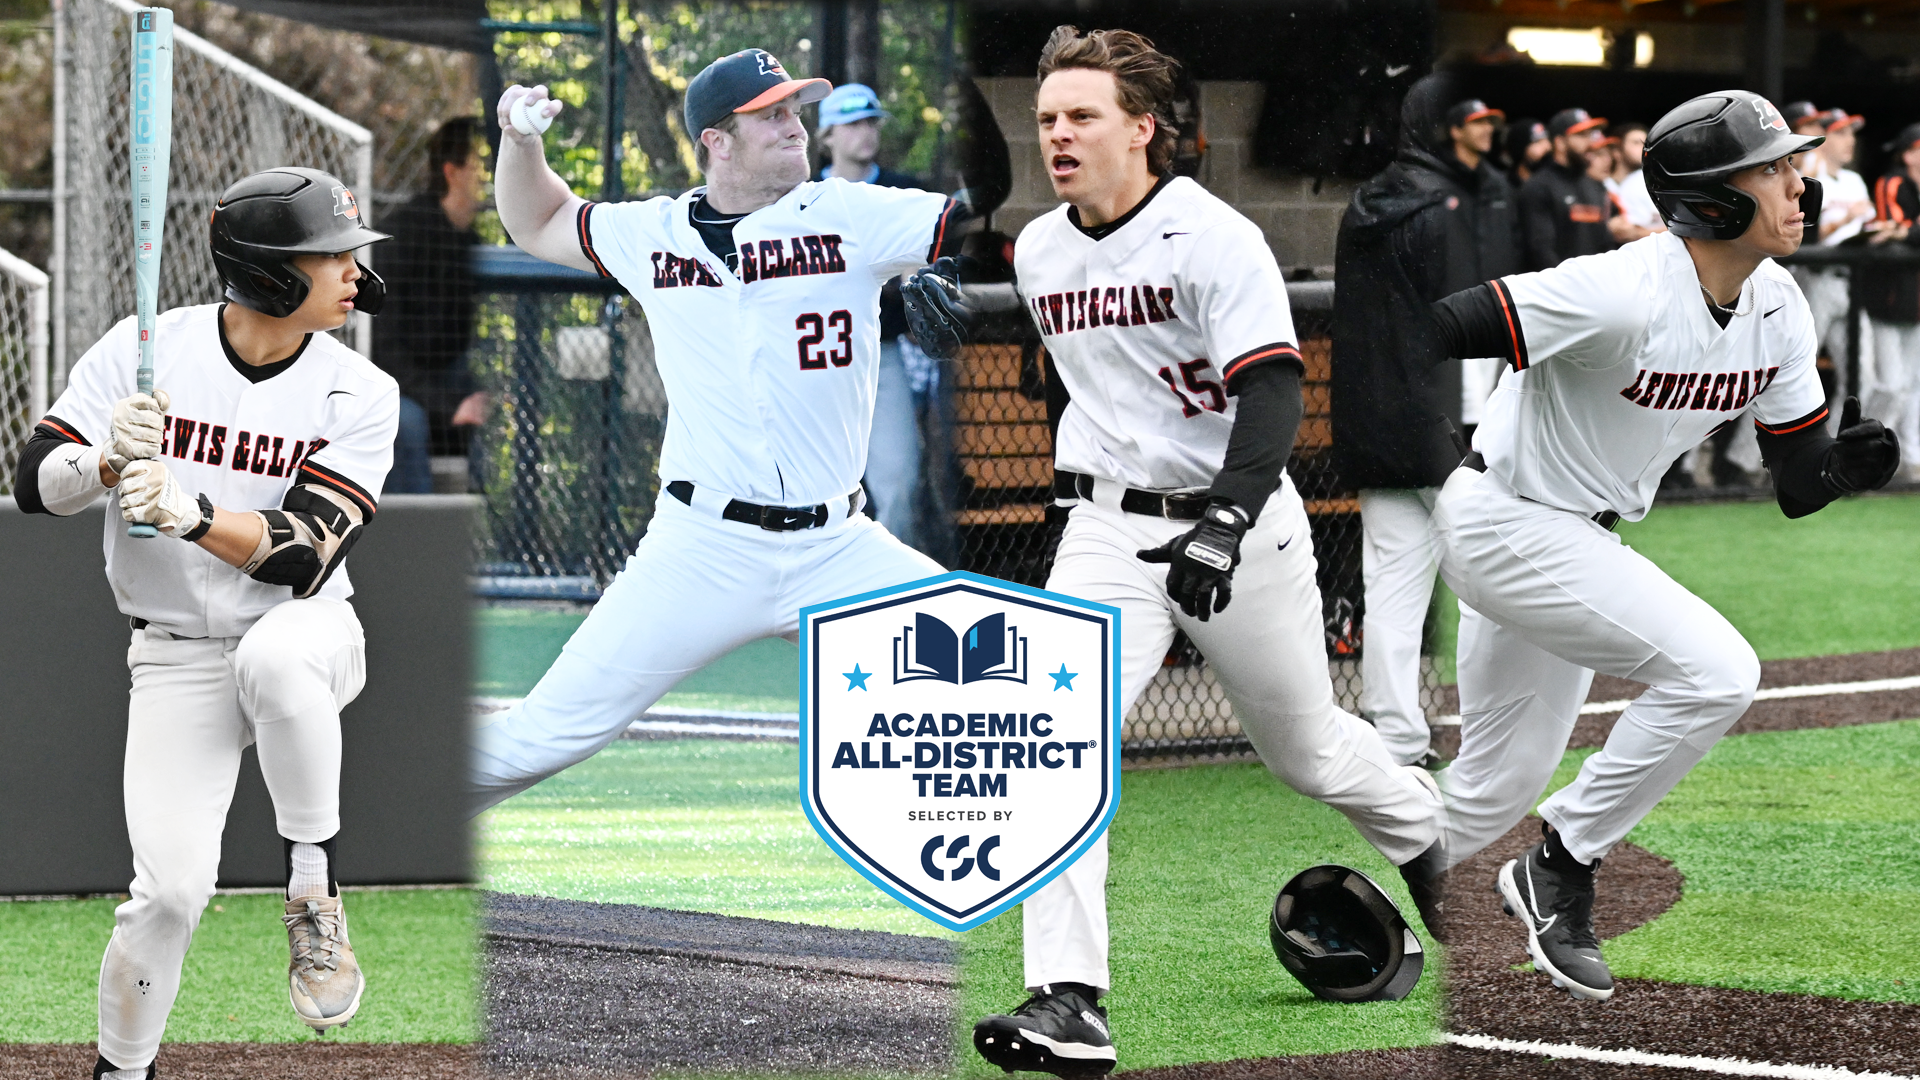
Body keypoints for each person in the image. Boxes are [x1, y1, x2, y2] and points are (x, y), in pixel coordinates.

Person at [964, 28, 1446, 1076]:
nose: (1058, 134)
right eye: (1047, 117)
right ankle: (1070, 1002)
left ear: (1145, 128)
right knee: (1049, 745)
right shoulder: (1038, 249)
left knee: (1307, 751)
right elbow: (1077, 385)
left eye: (1082, 115)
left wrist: (1224, 519)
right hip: (1102, 526)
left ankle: (1436, 845)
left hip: (1235, 520)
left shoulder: (1209, 234)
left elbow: (1273, 388)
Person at [1425, 90, 1900, 1002]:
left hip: (1566, 537)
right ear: (1713, 199)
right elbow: (1438, 326)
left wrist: (1845, 471)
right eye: (1774, 168)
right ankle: (1562, 863)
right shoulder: (1620, 288)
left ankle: (1341, 900)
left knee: (1489, 790)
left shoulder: (1778, 308)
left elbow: (1798, 486)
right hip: (1502, 515)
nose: (1801, 183)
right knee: (1719, 670)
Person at [470, 51, 968, 809]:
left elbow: (973, 225)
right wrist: (519, 140)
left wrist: (971, 273)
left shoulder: (849, 214)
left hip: (840, 548)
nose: (793, 126)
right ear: (718, 140)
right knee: (547, 732)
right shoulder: (656, 231)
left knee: (999, 686)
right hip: (704, 546)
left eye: (794, 110)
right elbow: (536, 219)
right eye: (770, 114)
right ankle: (389, 828)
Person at [11, 167, 397, 1076]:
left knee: (273, 655)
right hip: (176, 652)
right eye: (329, 254)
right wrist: (106, 462)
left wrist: (187, 511)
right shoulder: (146, 348)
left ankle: (313, 888)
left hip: (307, 632)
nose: (352, 270)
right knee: (170, 895)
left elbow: (305, 552)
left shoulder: (358, 390)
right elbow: (34, 483)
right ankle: (123, 1068)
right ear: (268, 271)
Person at [1333, 80, 1520, 771]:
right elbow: (1474, 323)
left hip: (1376, 421)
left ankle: (1396, 739)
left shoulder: (1367, 199)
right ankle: (1490, 738)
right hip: (1444, 424)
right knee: (1492, 583)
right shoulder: (1451, 207)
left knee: (1393, 589)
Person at [813, 82, 959, 564]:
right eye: (853, 123)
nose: (866, 132)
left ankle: (894, 595)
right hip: (811, 361)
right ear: (827, 135)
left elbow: (921, 269)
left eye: (872, 121)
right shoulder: (802, 199)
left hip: (884, 356)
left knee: (899, 481)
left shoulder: (902, 192)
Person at [372, 117, 488, 494]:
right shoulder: (402, 234)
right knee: (407, 423)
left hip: (449, 378)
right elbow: (385, 350)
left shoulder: (471, 243)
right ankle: (416, 549)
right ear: (452, 171)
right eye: (481, 164)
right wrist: (448, 405)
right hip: (398, 382)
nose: (488, 175)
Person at [1862, 122, 1920, 481]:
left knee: (1915, 385)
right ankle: (1864, 453)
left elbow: (1907, 232)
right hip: (1889, 299)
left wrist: (1909, 231)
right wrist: (1909, 231)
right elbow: (1894, 230)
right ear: (1908, 153)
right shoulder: (1894, 182)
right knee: (1891, 384)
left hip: (1917, 304)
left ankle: (1910, 458)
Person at [1518, 107, 1612, 270]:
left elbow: (1605, 244)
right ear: (1560, 142)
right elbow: (1540, 250)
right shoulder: (1538, 186)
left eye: (1590, 135)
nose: (1590, 143)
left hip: (1597, 288)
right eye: (1581, 136)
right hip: (1559, 289)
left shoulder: (1595, 186)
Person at [1605, 121, 1660, 241]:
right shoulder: (1602, 184)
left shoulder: (1653, 181)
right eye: (1636, 143)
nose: (1644, 148)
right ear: (1617, 151)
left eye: (1645, 143)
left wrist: (1638, 233)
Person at [1504, 118, 1551, 186]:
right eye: (1537, 142)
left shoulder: (1558, 183)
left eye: (1547, 140)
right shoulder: (1504, 185)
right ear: (1520, 150)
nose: (1547, 147)